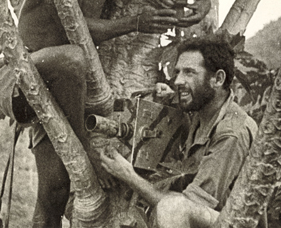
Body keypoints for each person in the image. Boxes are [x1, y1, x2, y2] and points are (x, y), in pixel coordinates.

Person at [0, 0, 211, 227]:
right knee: (75, 59)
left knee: (55, 192)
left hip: (65, 90)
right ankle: (85, 148)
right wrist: (133, 23)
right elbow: (73, 25)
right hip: (28, 73)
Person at [100, 37, 260, 227]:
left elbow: (190, 207)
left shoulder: (232, 133)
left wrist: (128, 175)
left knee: (173, 207)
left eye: (190, 73)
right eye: (178, 72)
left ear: (218, 79)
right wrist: (171, 95)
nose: (178, 80)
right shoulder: (205, 109)